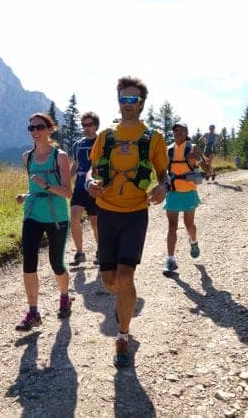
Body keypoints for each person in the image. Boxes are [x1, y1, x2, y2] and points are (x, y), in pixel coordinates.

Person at [85, 76, 170, 367]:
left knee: (125, 277)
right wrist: (88, 184)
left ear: (142, 103)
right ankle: (125, 298)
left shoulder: (154, 138)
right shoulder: (106, 135)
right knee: (109, 281)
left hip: (135, 213)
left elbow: (163, 174)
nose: (128, 104)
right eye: (124, 99)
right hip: (106, 212)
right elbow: (91, 171)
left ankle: (123, 335)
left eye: (133, 100)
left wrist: (163, 188)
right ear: (118, 100)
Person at [14, 112, 73, 331]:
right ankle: (33, 312)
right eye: (31, 128)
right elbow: (33, 187)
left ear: (50, 129)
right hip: (32, 215)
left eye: (39, 127)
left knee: (56, 263)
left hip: (56, 216)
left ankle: (65, 296)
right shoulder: (27, 157)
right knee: (29, 263)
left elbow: (68, 192)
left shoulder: (60, 157)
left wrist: (46, 186)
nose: (35, 132)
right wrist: (26, 195)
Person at [162, 122, 202, 276]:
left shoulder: (193, 147)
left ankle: (193, 242)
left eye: (181, 130)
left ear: (186, 132)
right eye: (175, 130)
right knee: (172, 226)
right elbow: (164, 171)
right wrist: (163, 185)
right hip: (173, 192)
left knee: (189, 225)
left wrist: (198, 159)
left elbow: (206, 168)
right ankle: (170, 260)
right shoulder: (169, 150)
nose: (177, 133)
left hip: (189, 192)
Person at [68, 111, 100, 266]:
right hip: (80, 187)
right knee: (74, 218)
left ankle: (101, 251)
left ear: (95, 126)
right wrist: (65, 180)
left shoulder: (102, 142)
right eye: (83, 125)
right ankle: (80, 253)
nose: (86, 128)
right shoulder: (78, 144)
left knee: (95, 223)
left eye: (89, 125)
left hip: (96, 188)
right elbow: (75, 165)